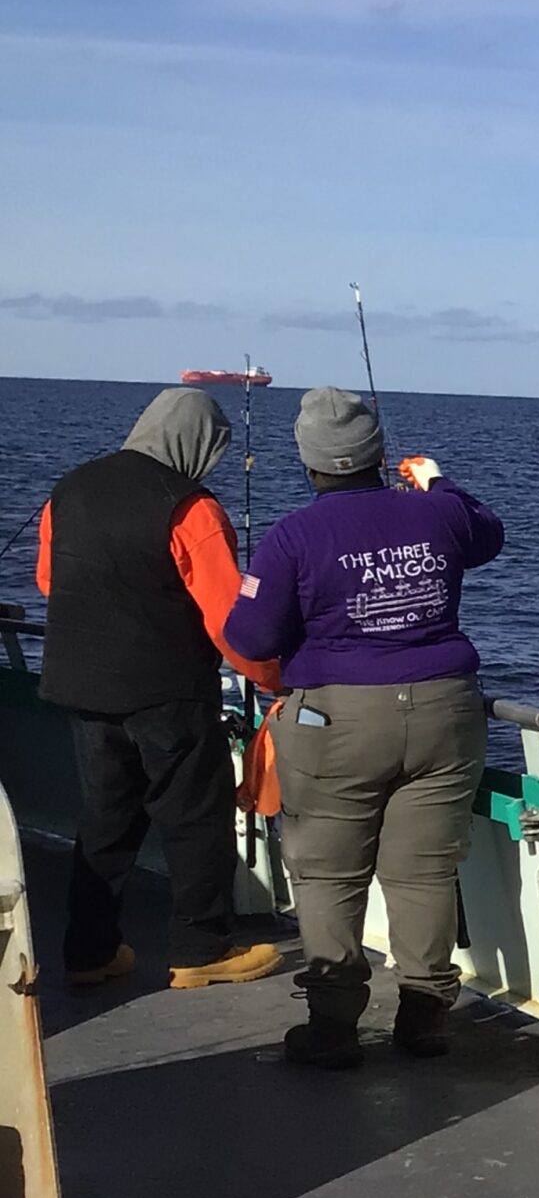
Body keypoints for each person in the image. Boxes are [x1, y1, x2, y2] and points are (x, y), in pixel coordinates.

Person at [224, 388, 504, 1068]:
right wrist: (439, 481)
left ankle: (334, 1023)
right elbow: (487, 533)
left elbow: (249, 634)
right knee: (424, 870)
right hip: (444, 709)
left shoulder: (295, 535)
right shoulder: (437, 513)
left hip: (337, 717)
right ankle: (426, 1010)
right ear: (380, 454)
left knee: (327, 874)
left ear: (311, 464)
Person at [34, 387, 286, 991]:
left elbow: (49, 581)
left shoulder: (69, 489)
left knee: (105, 818)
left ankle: (89, 952)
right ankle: (201, 949)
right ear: (195, 444)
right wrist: (273, 678)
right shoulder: (191, 507)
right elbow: (229, 620)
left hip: (84, 686)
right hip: (167, 689)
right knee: (194, 815)